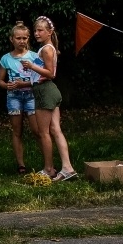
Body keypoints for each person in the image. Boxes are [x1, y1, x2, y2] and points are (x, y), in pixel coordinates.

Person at [22, 16, 78, 181]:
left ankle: (49, 169)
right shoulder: (49, 48)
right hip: (50, 91)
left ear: (49, 32)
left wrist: (32, 66)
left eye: (40, 30)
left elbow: (51, 73)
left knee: (44, 132)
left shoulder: (46, 49)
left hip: (44, 92)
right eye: (35, 30)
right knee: (55, 130)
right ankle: (67, 168)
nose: (37, 33)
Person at [0, 21, 40, 174]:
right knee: (17, 131)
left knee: (37, 130)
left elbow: (40, 79)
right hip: (13, 97)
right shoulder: (6, 58)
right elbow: (0, 80)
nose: (22, 41)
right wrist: (5, 85)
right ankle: (21, 165)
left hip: (31, 97)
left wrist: (24, 84)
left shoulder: (34, 56)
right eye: (18, 38)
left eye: (24, 38)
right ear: (12, 39)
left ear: (28, 39)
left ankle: (47, 161)